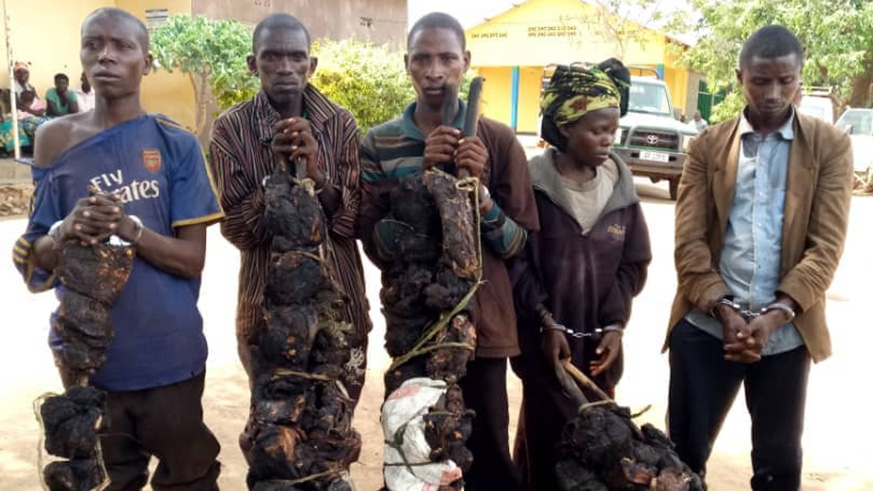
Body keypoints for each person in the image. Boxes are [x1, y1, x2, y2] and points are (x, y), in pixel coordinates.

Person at [12, 8, 223, 490]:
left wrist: (129, 228)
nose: (106, 55)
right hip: (90, 366)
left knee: (188, 477)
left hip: (170, 356)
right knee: (105, 479)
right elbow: (35, 263)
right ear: (82, 55)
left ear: (147, 62)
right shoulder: (53, 140)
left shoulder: (177, 145)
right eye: (94, 44)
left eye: (122, 46)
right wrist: (66, 230)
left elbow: (192, 260)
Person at [666, 25, 853, 490]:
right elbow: (688, 242)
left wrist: (774, 317)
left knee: (778, 466)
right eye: (760, 81)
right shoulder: (708, 146)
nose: (773, 94)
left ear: (800, 80)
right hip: (709, 327)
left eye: (785, 81)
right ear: (739, 78)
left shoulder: (830, 146)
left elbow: (826, 246)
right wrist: (723, 308)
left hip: (786, 335)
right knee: (681, 459)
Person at [358, 12, 539, 490]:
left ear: (466, 63)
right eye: (422, 58)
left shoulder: (497, 141)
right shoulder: (380, 143)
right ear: (407, 65)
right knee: (413, 454)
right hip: (414, 329)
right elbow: (378, 245)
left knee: (488, 459)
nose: (434, 70)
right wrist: (421, 180)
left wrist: (479, 195)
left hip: (480, 329)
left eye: (446, 58)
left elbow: (517, 243)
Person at [209, 13, 371, 401]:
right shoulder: (231, 129)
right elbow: (237, 231)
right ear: (253, 64)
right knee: (276, 434)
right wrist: (275, 182)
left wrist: (315, 174)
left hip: (340, 310)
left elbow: (352, 223)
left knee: (335, 431)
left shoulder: (341, 124)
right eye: (271, 57)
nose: (285, 68)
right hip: (267, 314)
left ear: (311, 66)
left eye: (296, 57)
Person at [510, 59, 651, 490]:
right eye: (597, 130)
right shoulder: (531, 185)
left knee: (597, 442)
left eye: (613, 128)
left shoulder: (620, 189)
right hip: (545, 346)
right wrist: (544, 321)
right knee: (544, 438)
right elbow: (516, 260)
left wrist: (615, 325)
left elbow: (633, 264)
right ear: (565, 128)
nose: (608, 139)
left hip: (598, 352)